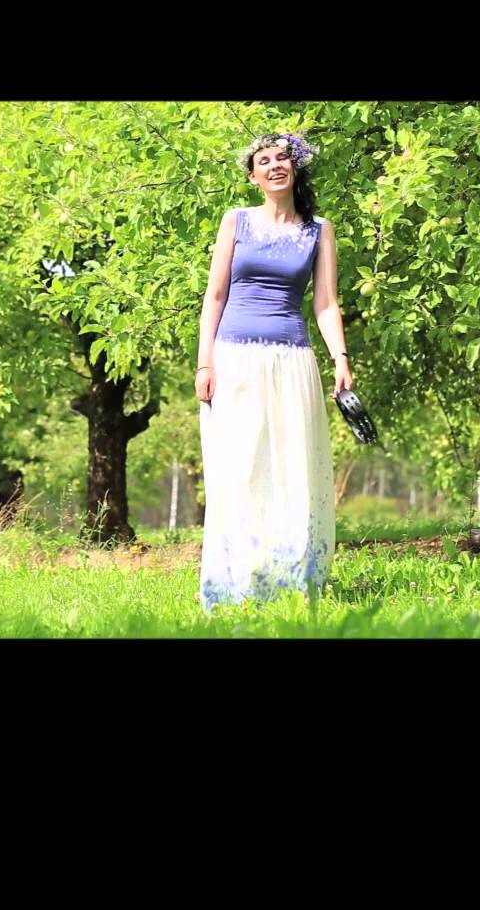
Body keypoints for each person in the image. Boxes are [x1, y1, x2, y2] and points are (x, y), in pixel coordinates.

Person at [194, 132, 353, 609]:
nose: (274, 166)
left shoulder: (318, 229)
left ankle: (290, 580)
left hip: (292, 359)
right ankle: (236, 582)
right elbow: (215, 296)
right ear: (253, 176)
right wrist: (205, 362)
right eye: (264, 161)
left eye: (282, 157)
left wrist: (340, 359)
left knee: (292, 467)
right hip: (234, 358)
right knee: (240, 469)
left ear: (295, 168)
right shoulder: (235, 221)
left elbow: (325, 303)